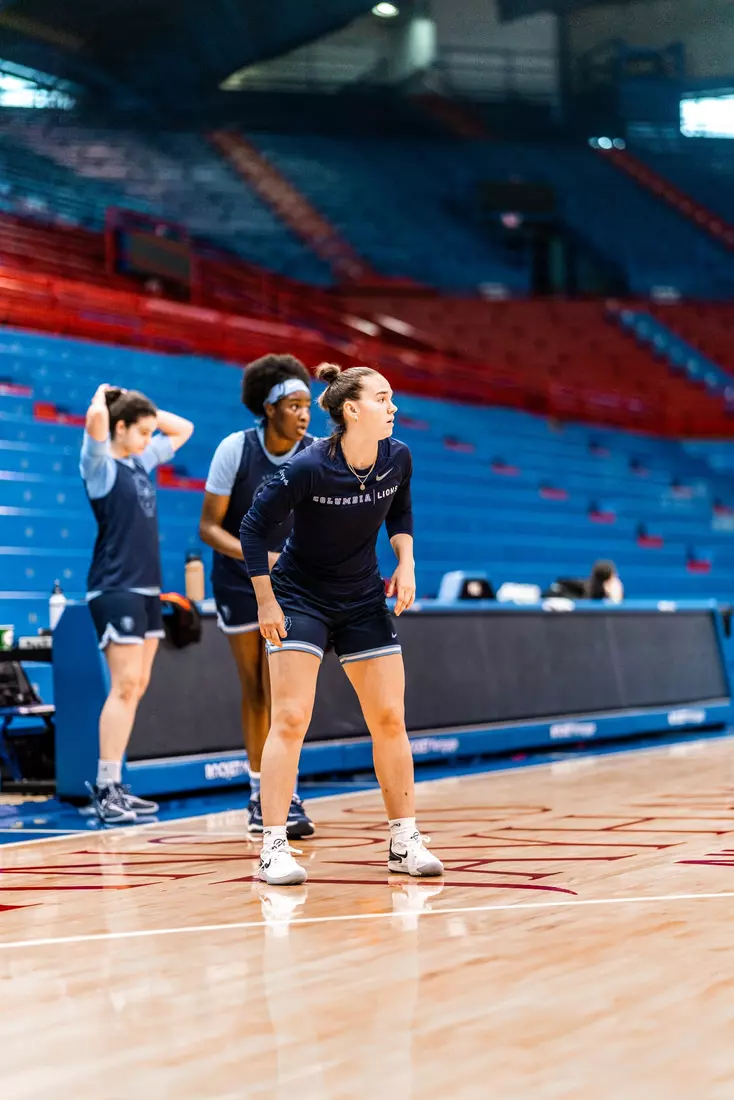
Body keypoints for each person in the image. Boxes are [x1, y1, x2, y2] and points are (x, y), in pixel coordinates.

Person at [240, 362, 445, 886]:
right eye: (382, 398)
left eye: (391, 398)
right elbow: (253, 527)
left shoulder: (398, 457)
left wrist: (406, 562)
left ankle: (403, 840)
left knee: (390, 718)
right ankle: (273, 846)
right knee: (290, 718)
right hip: (299, 597)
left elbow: (400, 512)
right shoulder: (309, 466)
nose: (393, 407)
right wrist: (266, 602)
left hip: (361, 598)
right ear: (352, 409)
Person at [199, 353, 316, 839]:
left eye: (307, 405)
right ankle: (257, 791)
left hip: (291, 585)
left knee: (283, 693)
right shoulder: (236, 449)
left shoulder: (316, 453)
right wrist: (260, 558)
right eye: (293, 406)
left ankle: (284, 791)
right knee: (256, 688)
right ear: (269, 409)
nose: (304, 414)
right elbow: (209, 527)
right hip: (237, 581)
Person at [80, 385, 193, 824]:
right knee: (125, 685)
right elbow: (96, 422)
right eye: (142, 431)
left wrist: (144, 408)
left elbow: (184, 429)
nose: (150, 440)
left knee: (137, 685)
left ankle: (116, 786)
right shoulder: (100, 466)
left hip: (147, 589)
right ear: (121, 427)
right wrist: (102, 397)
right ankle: (105, 787)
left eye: (150, 433)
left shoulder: (140, 460)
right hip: (115, 588)